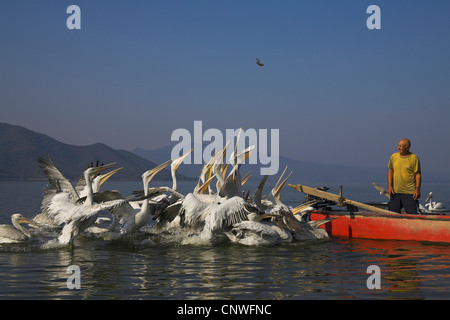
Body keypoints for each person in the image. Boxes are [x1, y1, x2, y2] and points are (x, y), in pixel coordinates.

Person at [387, 138, 421, 214]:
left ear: (407, 148)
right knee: (393, 215)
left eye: (401, 146)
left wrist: (417, 189)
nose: (399, 147)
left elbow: (418, 175)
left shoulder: (414, 158)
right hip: (395, 192)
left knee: (412, 215)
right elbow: (390, 171)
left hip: (409, 193)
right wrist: (389, 186)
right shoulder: (393, 156)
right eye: (398, 145)